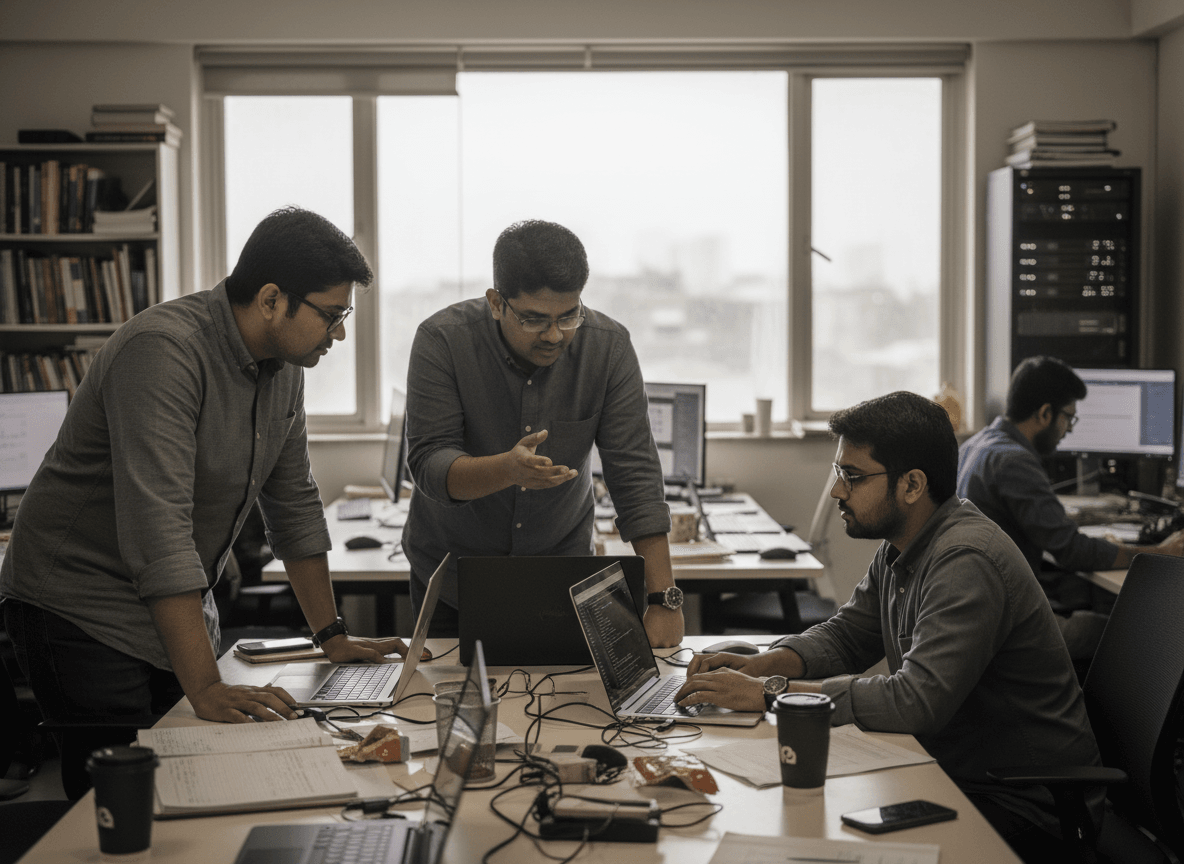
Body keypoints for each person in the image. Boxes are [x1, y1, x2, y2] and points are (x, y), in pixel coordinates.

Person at [1, 207, 408, 797]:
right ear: (272, 300)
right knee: (123, 798)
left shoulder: (284, 368)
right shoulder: (162, 353)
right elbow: (158, 530)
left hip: (169, 606)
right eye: (332, 315)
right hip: (77, 607)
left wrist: (332, 635)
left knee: (194, 774)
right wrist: (205, 685)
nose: (340, 333)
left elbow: (293, 502)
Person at [674, 391, 1101, 862]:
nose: (838, 490)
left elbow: (915, 702)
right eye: (840, 472)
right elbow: (847, 635)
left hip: (1023, 804)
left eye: (852, 476)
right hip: (954, 773)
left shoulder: (966, 560)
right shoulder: (904, 543)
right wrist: (767, 663)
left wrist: (773, 693)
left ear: (912, 484)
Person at [402, 219, 683, 647]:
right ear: (496, 303)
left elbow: (635, 473)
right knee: (450, 710)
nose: (555, 335)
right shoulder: (442, 340)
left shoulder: (608, 347)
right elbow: (428, 464)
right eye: (534, 320)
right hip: (452, 582)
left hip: (564, 578)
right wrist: (506, 470)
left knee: (567, 708)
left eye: (568, 315)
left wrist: (664, 599)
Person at [958, 354, 1184, 579]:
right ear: (1045, 413)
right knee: (1123, 614)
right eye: (1068, 417)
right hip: (1005, 610)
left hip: (980, 598)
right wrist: (1160, 552)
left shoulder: (974, 446)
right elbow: (1073, 552)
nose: (1070, 429)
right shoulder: (1014, 462)